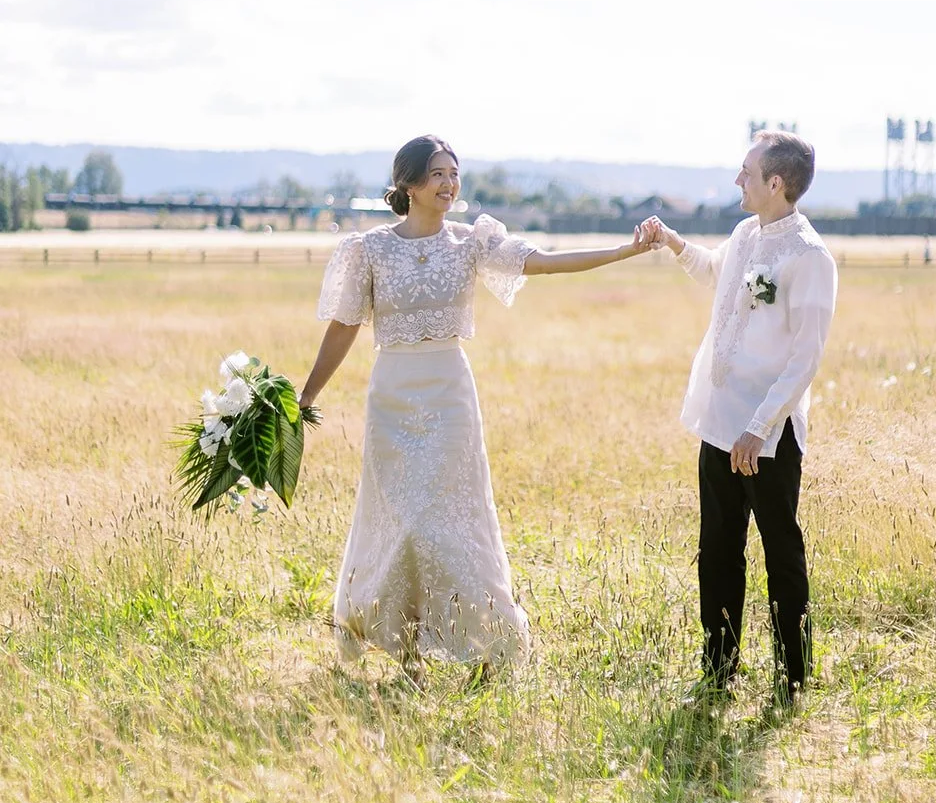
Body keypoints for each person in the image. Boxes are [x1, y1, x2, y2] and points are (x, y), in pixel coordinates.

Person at [299, 134, 654, 680]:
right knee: (400, 522)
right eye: (438, 174)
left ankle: (486, 640)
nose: (450, 184)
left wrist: (624, 251)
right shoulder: (368, 250)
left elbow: (547, 263)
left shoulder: (472, 242)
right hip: (391, 395)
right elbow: (344, 326)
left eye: (454, 174)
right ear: (409, 184)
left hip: (449, 397)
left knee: (448, 521)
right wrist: (308, 394)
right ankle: (405, 650)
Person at [641, 131, 837, 708]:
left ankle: (794, 677)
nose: (737, 180)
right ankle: (718, 669)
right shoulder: (744, 234)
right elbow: (713, 273)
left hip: (767, 433)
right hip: (719, 420)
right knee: (719, 546)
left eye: (746, 172)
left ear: (775, 183)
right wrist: (672, 243)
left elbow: (806, 357)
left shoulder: (810, 257)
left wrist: (761, 426)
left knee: (780, 550)